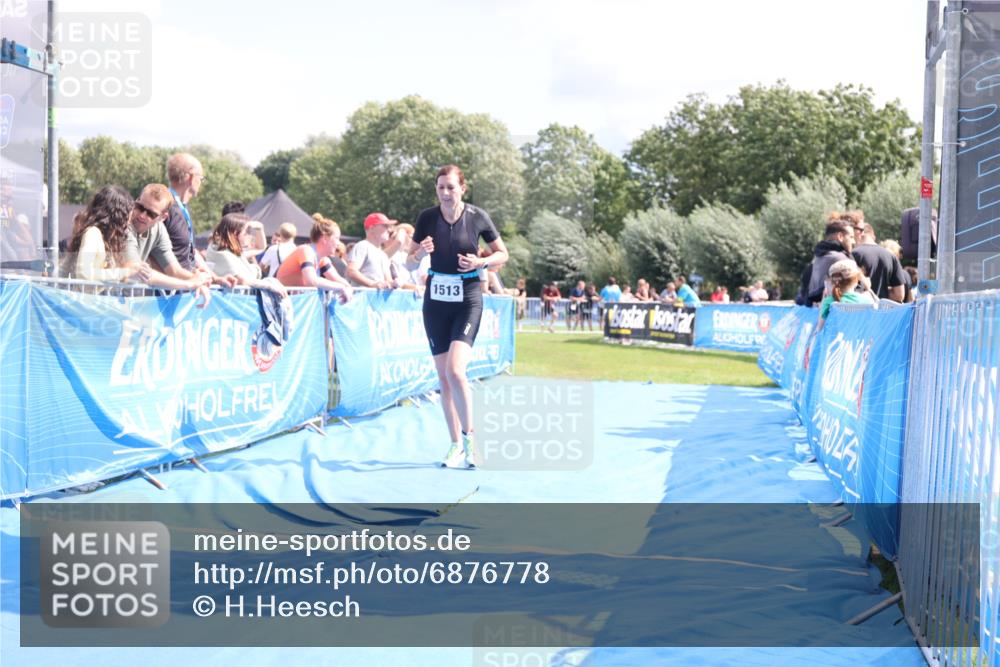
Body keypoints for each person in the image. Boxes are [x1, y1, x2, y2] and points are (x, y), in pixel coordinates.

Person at [405, 164, 509, 469]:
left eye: (451, 187)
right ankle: (454, 446)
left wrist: (480, 262)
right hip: (435, 301)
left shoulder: (477, 217)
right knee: (444, 378)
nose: (446, 193)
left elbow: (503, 254)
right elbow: (410, 264)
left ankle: (470, 440)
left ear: (462, 188)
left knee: (455, 370)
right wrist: (421, 254)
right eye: (441, 188)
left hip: (468, 299)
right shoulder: (427, 217)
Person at [123, 183, 215, 305]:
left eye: (151, 214)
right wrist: (190, 283)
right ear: (136, 201)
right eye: (139, 207)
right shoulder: (124, 224)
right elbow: (136, 270)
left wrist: (197, 281)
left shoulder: (159, 229)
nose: (142, 215)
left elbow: (174, 270)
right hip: (99, 299)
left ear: (163, 217)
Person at [64, 185, 145, 282]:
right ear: (118, 215)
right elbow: (83, 273)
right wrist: (125, 272)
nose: (129, 221)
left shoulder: (106, 239)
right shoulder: (93, 234)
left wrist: (132, 271)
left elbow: (105, 275)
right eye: (127, 216)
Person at [205, 213, 287, 296]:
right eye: (246, 232)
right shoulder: (222, 253)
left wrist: (260, 229)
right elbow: (243, 280)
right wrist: (270, 285)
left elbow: (260, 248)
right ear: (236, 233)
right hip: (233, 302)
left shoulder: (227, 249)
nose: (249, 235)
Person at [275, 215, 353, 302]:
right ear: (325, 238)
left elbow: (339, 280)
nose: (339, 243)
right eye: (337, 238)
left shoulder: (323, 259)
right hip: (282, 304)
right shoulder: (306, 251)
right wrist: (341, 287)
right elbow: (311, 281)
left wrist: (347, 287)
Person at [805, 218, 855, 306]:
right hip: (838, 310)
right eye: (851, 237)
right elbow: (859, 286)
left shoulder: (819, 256)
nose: (854, 241)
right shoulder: (840, 258)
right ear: (840, 236)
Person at [852, 223, 907, 302]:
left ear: (860, 234)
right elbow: (899, 295)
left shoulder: (852, 254)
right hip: (882, 311)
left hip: (858, 310)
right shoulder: (891, 256)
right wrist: (882, 292)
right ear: (873, 236)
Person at [817, 259, 876, 330]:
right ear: (856, 280)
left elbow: (819, 328)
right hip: (857, 340)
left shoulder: (828, 301)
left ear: (833, 281)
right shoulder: (867, 301)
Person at [347, 212, 395, 289]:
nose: (389, 230)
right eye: (385, 226)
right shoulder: (362, 246)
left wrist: (395, 283)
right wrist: (372, 284)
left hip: (376, 299)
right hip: (362, 298)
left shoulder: (383, 255)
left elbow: (388, 281)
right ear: (372, 228)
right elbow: (351, 271)